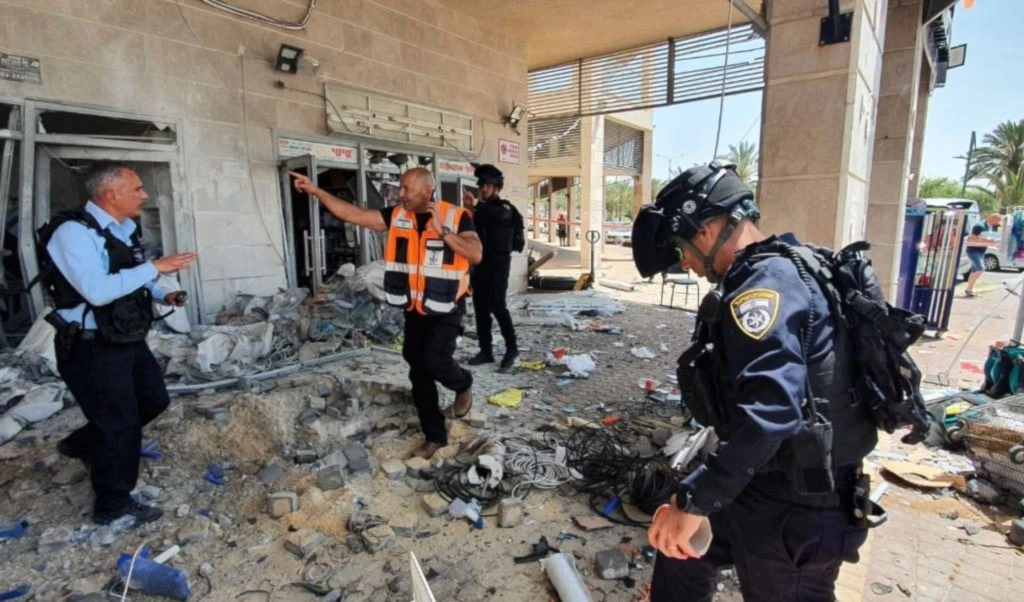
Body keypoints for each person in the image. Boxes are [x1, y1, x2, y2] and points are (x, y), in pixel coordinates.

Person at [631, 163, 877, 601]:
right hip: (760, 480)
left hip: (799, 507)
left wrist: (696, 500)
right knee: (679, 552)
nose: (685, 262)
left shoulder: (763, 287)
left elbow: (772, 411)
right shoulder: (789, 266)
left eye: (681, 246)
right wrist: (693, 499)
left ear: (706, 229)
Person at [290, 167, 482, 459]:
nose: (400, 194)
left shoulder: (456, 216)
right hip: (414, 307)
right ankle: (434, 435)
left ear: (427, 190)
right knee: (417, 367)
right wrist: (316, 191)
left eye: (406, 189)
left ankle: (463, 384)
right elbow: (353, 215)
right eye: (400, 188)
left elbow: (475, 253)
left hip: (447, 307)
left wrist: (442, 230)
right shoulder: (397, 215)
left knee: (435, 359)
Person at [43, 161, 197, 526]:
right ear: (111, 195)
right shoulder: (72, 233)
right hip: (90, 344)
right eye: (137, 189)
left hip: (124, 337)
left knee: (153, 399)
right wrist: (156, 267)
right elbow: (97, 291)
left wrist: (161, 293)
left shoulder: (123, 230)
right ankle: (112, 503)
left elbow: (130, 277)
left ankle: (82, 444)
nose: (145, 195)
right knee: (120, 423)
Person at [462, 164, 524, 372]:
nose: (484, 189)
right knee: (480, 309)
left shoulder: (505, 208)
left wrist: (475, 204)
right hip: (480, 264)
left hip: (498, 265)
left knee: (498, 306)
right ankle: (485, 351)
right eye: (482, 186)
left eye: (488, 186)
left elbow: (498, 215)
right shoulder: (481, 210)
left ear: (497, 188)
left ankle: (512, 349)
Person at [964, 223, 988, 297]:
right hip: (974, 251)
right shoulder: (979, 226)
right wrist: (987, 241)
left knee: (974, 271)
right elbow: (971, 237)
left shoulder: (987, 227)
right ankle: (968, 289)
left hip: (980, 251)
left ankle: (969, 289)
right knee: (980, 268)